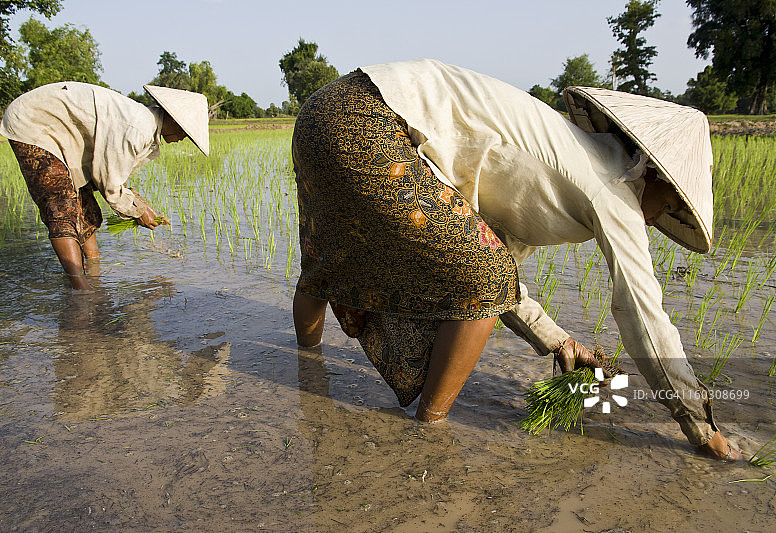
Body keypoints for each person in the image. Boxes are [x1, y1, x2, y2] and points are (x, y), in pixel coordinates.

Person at [291, 59, 739, 461]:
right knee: (484, 277)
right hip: (371, 121)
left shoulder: (564, 157)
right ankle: (429, 430)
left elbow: (505, 279)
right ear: (655, 173)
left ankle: (305, 370)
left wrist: (559, 342)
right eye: (674, 202)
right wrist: (701, 426)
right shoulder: (615, 193)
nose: (666, 214)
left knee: (327, 259)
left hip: (326, 110)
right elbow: (644, 319)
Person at [0, 82, 210, 290]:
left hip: (61, 132)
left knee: (84, 203)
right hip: (34, 122)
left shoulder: (144, 125)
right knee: (61, 205)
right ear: (174, 120)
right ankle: (81, 289)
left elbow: (111, 174)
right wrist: (138, 211)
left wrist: (140, 205)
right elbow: (110, 185)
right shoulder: (138, 128)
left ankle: (94, 270)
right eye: (186, 133)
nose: (183, 139)